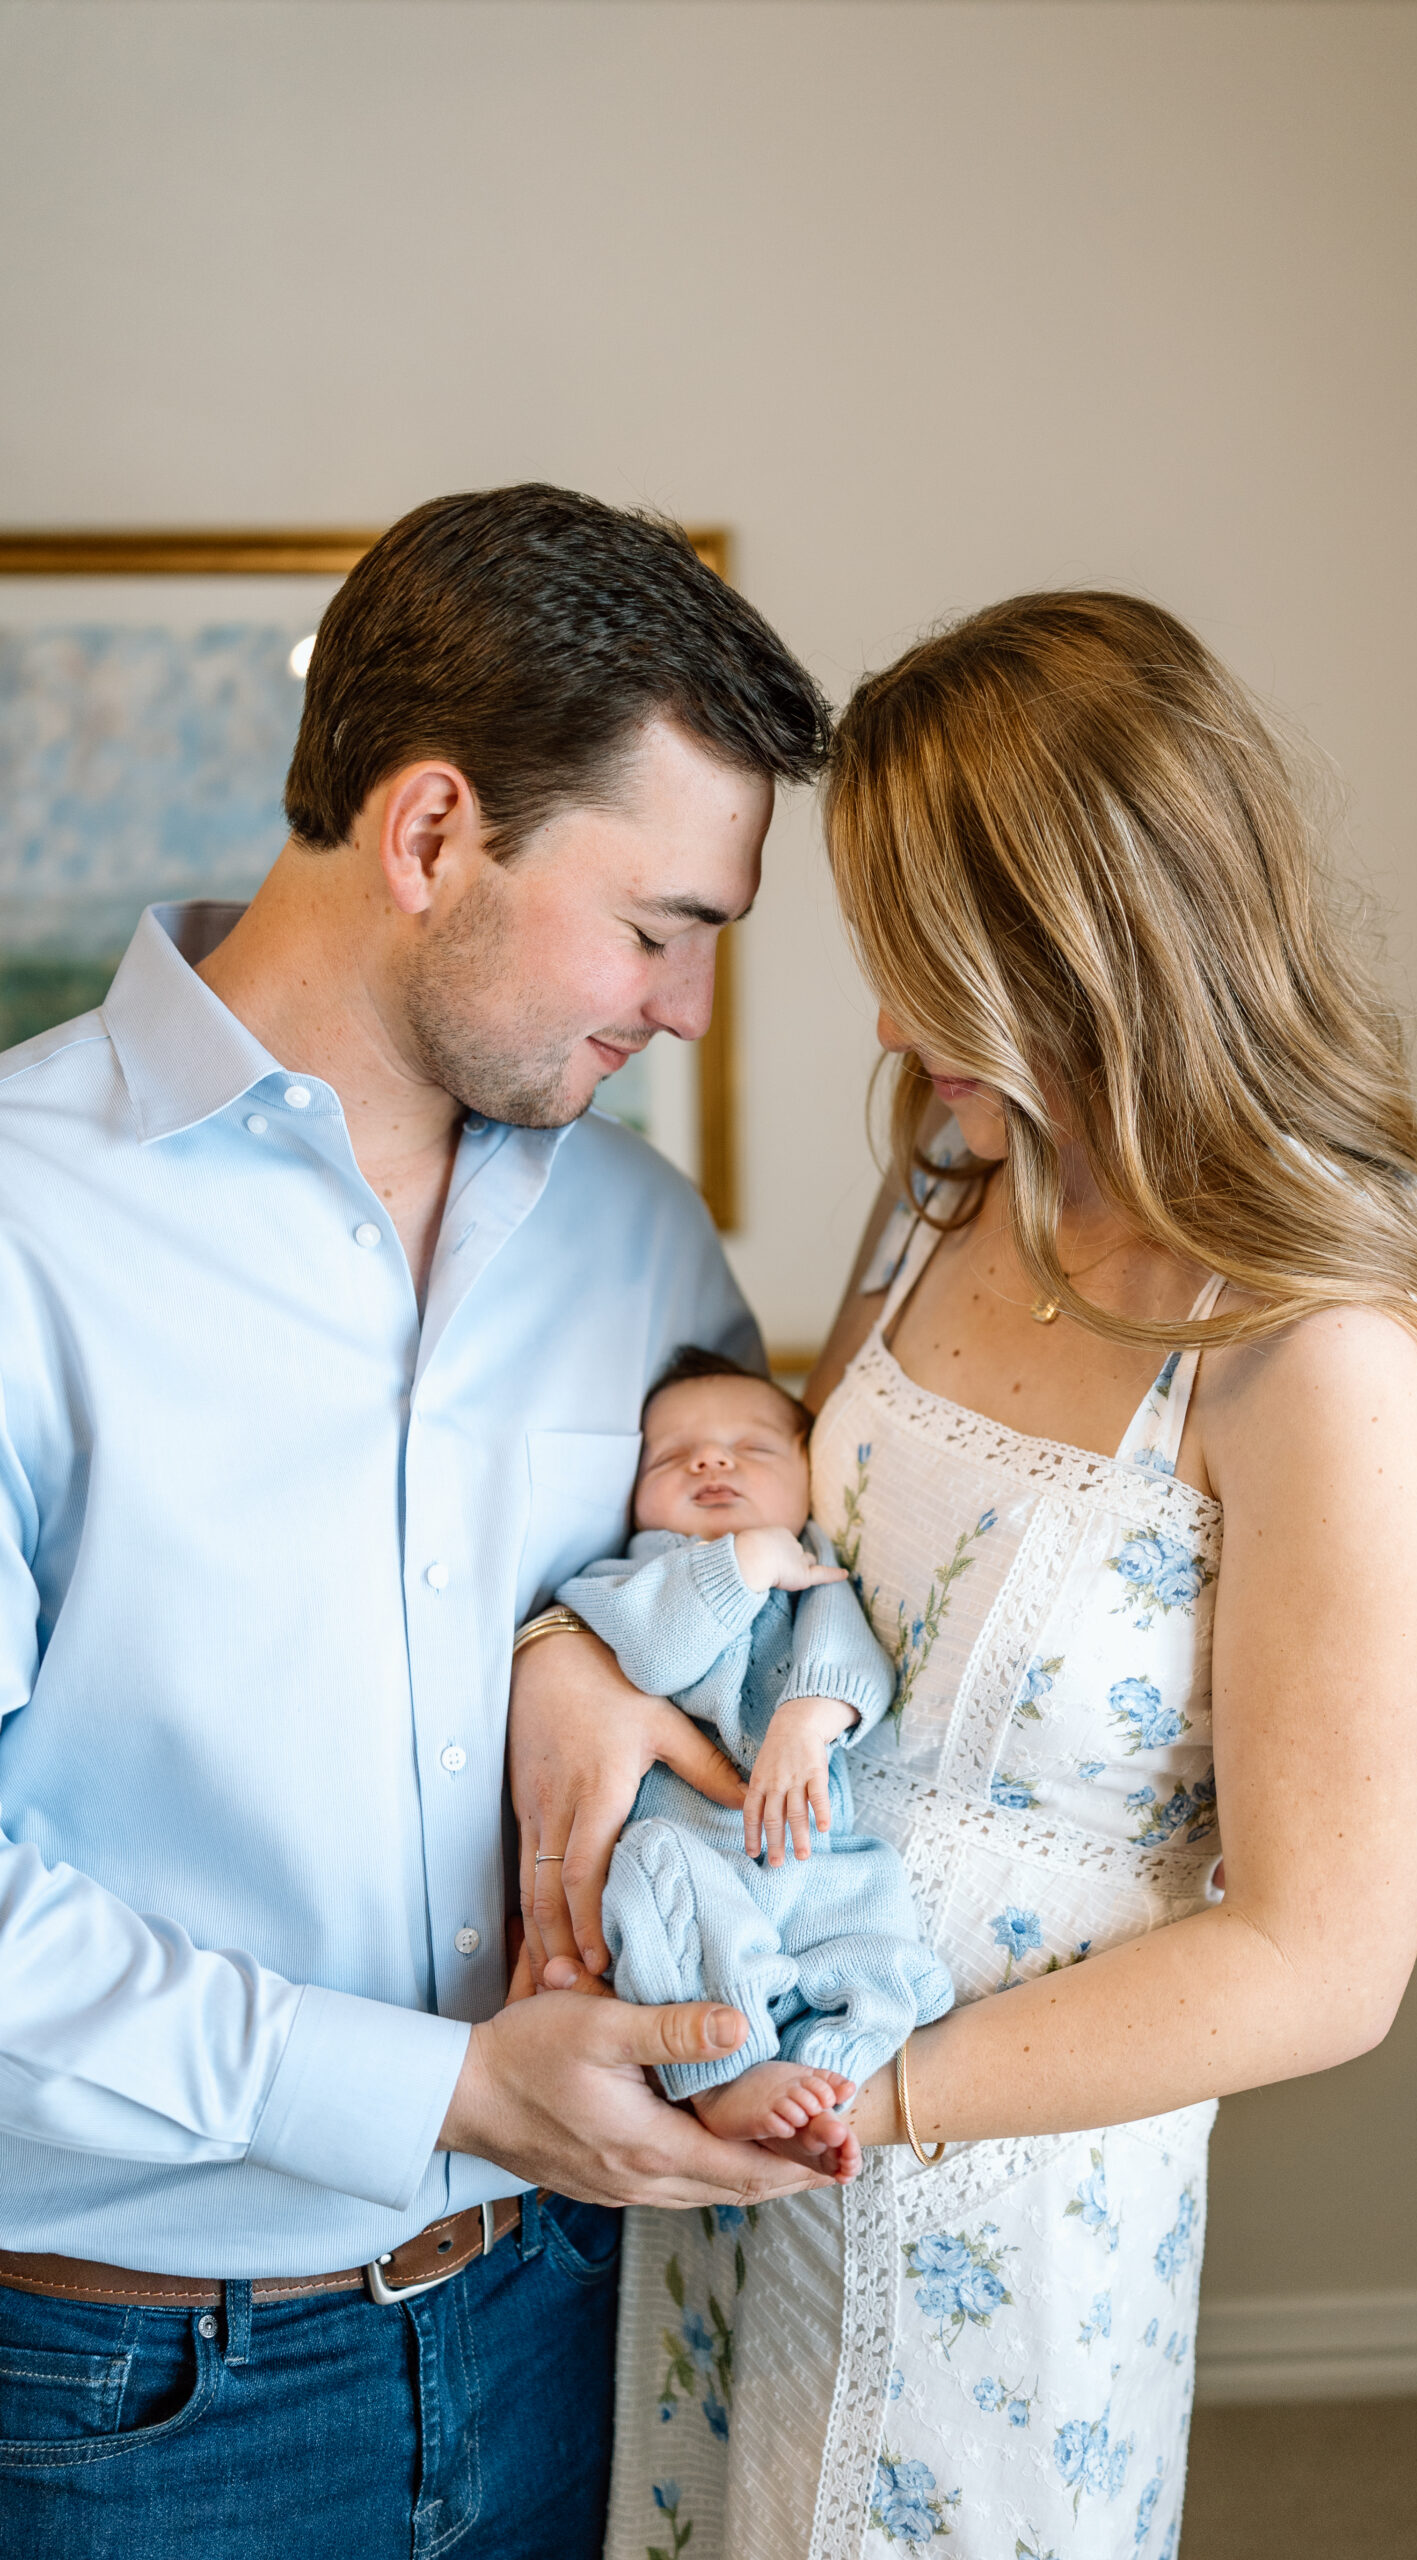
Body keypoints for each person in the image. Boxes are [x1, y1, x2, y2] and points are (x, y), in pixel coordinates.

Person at [515, 591, 1417, 2558]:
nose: (887, 1023)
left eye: (927, 967)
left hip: (987, 2219)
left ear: (1082, 952)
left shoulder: (1311, 1358)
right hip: (748, 2104)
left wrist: (870, 2101)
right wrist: (595, 1674)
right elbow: (803, 1563)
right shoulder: (943, 1180)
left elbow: (1319, 1958)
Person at [0, 484, 843, 2559]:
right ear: (432, 833)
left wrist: (590, 1656)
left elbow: (736, 1635)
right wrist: (437, 2088)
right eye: (660, 928)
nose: (687, 1011)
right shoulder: (19, 1232)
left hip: (562, 2313)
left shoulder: (644, 1243)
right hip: (127, 2401)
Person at [558, 1349, 955, 2168]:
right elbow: (657, 1654)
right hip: (697, 1856)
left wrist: (806, 1725)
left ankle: (825, 2077)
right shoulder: (624, 1577)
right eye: (671, 1455)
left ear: (810, 1473)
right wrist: (747, 1559)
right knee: (651, 1875)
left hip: (814, 1852)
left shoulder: (816, 1576)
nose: (710, 1460)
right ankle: (722, 2074)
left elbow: (855, 1665)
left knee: (881, 1940)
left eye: (754, 1448)